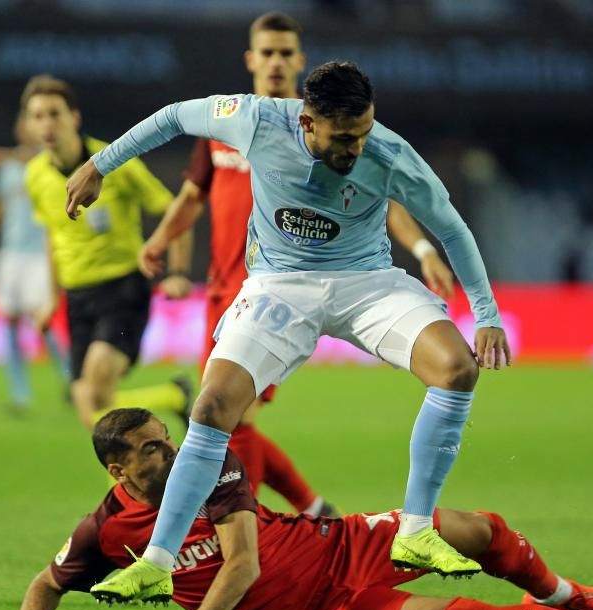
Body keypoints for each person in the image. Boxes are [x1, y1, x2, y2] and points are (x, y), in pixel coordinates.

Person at [65, 61, 511, 598]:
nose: (357, 148)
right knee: (211, 409)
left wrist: (486, 314)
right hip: (279, 287)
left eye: (364, 132)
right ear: (306, 122)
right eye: (344, 138)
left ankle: (414, 531)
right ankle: (158, 562)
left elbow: (453, 229)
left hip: (366, 282)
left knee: (458, 369)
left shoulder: (392, 156)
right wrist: (99, 164)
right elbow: (175, 117)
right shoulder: (256, 121)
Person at [0, 409, 593, 610]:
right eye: (150, 449)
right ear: (118, 467)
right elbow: (48, 580)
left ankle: (563, 597)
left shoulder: (211, 466)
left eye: (167, 439)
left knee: (476, 527)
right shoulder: (105, 530)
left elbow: (241, 564)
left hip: (339, 543)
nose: (170, 452)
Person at [148, 12, 454, 517]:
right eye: (266, 52)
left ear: (299, 61)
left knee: (231, 416)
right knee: (228, 416)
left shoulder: (326, 135)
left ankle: (247, 528)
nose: (275, 62)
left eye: (285, 53)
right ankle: (306, 511)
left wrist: (421, 249)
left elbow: (388, 201)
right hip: (224, 288)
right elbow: (190, 197)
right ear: (250, 59)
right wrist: (160, 240)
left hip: (281, 291)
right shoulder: (226, 126)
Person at [20, 74, 192, 430]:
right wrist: (52, 299)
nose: (47, 124)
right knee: (90, 408)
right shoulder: (35, 176)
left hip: (122, 289)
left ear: (74, 118)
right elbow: (53, 235)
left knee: (95, 389)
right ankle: (173, 396)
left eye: (54, 113)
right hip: (77, 297)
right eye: (38, 116)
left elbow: (173, 210)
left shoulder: (115, 162)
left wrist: (177, 272)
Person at [0, 113, 70, 412]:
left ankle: (70, 379)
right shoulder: (8, 169)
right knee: (9, 322)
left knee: (41, 319)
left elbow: (34, 157)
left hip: (40, 254)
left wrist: (6, 155)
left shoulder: (50, 162)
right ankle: (20, 393)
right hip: (11, 254)